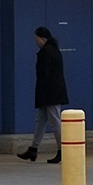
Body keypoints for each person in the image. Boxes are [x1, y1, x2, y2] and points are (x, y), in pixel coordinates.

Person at [17, 27, 69, 163]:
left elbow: (43, 75)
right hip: (54, 91)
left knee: (55, 122)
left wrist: (40, 93)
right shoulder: (55, 51)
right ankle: (33, 149)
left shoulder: (45, 53)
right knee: (41, 120)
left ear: (43, 39)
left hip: (49, 93)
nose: (36, 42)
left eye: (37, 39)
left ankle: (62, 150)